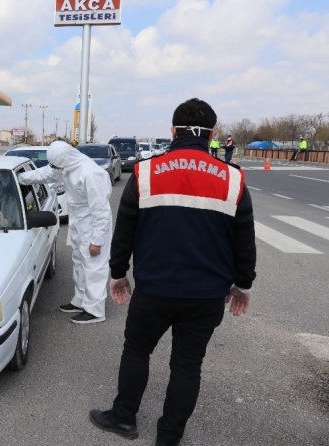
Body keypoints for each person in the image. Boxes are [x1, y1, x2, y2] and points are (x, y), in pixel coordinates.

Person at [89, 98, 257, 445]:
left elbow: (125, 232)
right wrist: (243, 284)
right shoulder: (232, 179)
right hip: (207, 295)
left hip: (154, 290)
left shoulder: (145, 172)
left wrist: (118, 274)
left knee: (137, 350)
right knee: (187, 366)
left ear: (172, 131)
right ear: (212, 135)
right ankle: (169, 438)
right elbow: (244, 241)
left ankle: (123, 419)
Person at [18, 140, 113, 324]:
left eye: (56, 165)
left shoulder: (91, 174)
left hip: (93, 224)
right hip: (79, 221)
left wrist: (97, 241)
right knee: (79, 262)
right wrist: (21, 178)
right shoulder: (65, 164)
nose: (54, 168)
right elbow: (46, 172)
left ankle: (95, 311)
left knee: (94, 266)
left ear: (64, 160)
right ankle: (80, 301)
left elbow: (101, 212)